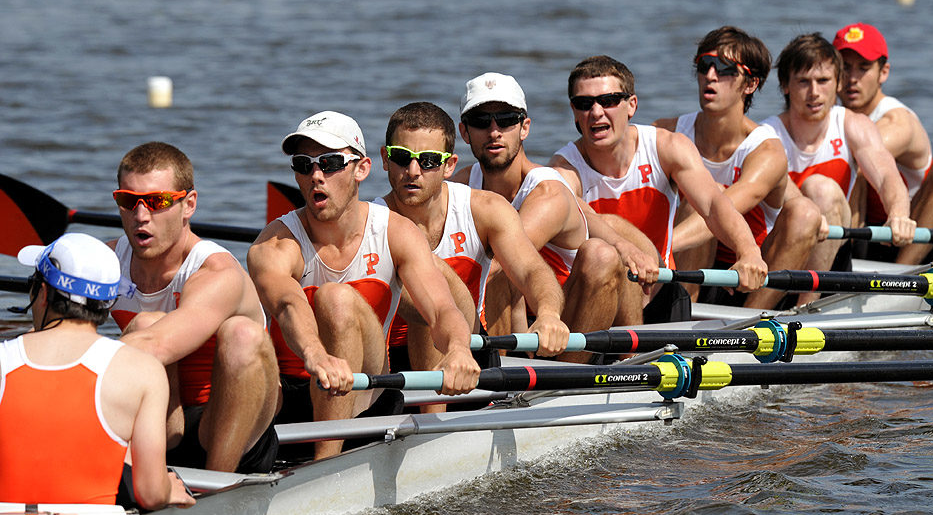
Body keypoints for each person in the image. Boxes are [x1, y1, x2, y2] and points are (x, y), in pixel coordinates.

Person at [248, 111, 480, 456]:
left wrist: (459, 349)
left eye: (329, 163)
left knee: (337, 299)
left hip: (368, 393)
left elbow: (442, 309)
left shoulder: (396, 233)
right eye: (303, 164)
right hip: (292, 394)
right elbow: (286, 304)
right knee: (328, 300)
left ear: (362, 169)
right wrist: (315, 354)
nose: (316, 176)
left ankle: (325, 463)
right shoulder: (274, 244)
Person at [451, 72, 658, 360]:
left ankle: (543, 378)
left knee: (597, 254)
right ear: (464, 132)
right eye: (481, 122)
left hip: (573, 323)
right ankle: (503, 372)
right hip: (522, 325)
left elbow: (501, 267)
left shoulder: (547, 193)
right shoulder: (461, 185)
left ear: (524, 128)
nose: (494, 131)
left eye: (507, 119)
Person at [550, 55, 768, 311]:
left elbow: (712, 205)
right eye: (584, 103)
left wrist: (749, 252)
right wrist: (626, 249)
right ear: (574, 111)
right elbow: (585, 216)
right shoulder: (563, 170)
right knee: (608, 228)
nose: (596, 112)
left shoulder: (667, 147)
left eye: (608, 101)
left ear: (631, 105)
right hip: (601, 299)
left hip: (659, 288)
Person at [110, 142, 279, 474]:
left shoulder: (216, 273)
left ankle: (219, 485)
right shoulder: (105, 261)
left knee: (241, 334)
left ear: (188, 205)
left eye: (157, 202)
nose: (141, 216)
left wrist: (69, 368)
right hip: (167, 424)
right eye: (129, 202)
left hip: (234, 426)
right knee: (144, 323)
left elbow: (157, 345)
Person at [0, 233, 194, 510]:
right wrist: (168, 489)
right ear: (108, 303)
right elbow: (151, 494)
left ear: (42, 294)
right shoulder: (142, 371)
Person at [378, 101, 570, 372]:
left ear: (449, 166)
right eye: (401, 157)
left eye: (429, 160)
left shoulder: (485, 210)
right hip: (390, 358)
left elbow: (530, 270)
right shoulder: (371, 221)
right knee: (428, 286)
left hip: (469, 350)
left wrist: (549, 314)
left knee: (433, 274)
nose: (412, 171)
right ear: (386, 159)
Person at [654, 27, 821, 309]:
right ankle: (681, 315)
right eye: (705, 65)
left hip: (751, 277)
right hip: (683, 273)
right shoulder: (665, 133)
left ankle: (750, 325)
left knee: (805, 213)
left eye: (726, 69)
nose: (710, 76)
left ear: (750, 84)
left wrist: (653, 250)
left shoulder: (766, 150)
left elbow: (718, 207)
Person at [761, 33, 916, 274]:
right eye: (803, 82)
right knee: (811, 201)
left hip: (833, 253)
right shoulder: (767, 135)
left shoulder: (853, 125)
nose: (814, 92)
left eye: (823, 80)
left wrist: (898, 215)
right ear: (785, 85)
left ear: (838, 83)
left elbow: (887, 176)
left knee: (821, 189)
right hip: (780, 251)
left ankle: (808, 302)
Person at [833, 22, 933, 264]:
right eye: (844, 68)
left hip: (910, 237)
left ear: (883, 72)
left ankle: (902, 273)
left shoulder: (897, 121)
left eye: (863, 68)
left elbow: (857, 158)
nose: (852, 79)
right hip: (868, 237)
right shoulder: (826, 115)